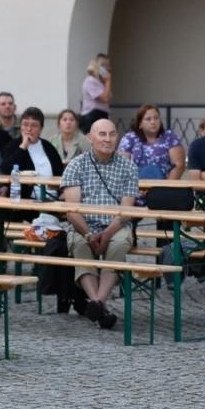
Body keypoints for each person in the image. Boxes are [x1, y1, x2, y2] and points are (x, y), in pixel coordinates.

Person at [60, 118, 139, 330]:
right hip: (84, 226)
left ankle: (96, 302)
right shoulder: (76, 165)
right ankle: (100, 306)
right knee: (79, 244)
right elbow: (72, 211)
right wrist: (88, 235)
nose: (107, 139)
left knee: (119, 244)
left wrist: (107, 233)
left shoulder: (128, 166)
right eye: (102, 134)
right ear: (90, 138)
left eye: (112, 134)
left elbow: (127, 210)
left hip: (116, 226)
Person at [118, 104, 186, 186]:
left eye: (156, 118)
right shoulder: (129, 138)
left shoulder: (169, 137)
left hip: (163, 188)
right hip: (135, 188)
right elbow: (121, 167)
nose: (153, 122)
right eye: (148, 119)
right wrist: (134, 188)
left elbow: (179, 166)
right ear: (140, 124)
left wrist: (165, 188)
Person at [12, 106, 65, 201]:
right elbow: (8, 168)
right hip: (27, 197)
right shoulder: (14, 145)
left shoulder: (48, 146)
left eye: (34, 125)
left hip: (52, 196)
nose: (29, 129)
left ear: (41, 129)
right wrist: (24, 145)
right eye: (25, 124)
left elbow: (59, 170)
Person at [79, 53, 112, 131]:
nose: (108, 68)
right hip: (92, 115)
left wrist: (106, 83)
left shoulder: (101, 83)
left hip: (101, 114)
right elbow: (105, 98)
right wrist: (108, 81)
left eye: (108, 65)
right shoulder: (90, 80)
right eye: (104, 65)